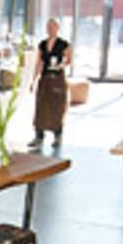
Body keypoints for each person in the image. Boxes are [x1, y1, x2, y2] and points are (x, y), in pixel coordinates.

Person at [31, 18, 72, 152]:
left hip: (57, 79)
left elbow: (68, 59)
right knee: (41, 107)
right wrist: (33, 80)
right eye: (48, 27)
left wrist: (61, 64)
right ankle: (39, 136)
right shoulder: (42, 44)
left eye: (53, 26)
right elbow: (39, 63)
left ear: (58, 28)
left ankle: (57, 136)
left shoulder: (64, 44)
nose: (50, 29)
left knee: (57, 107)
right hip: (45, 78)